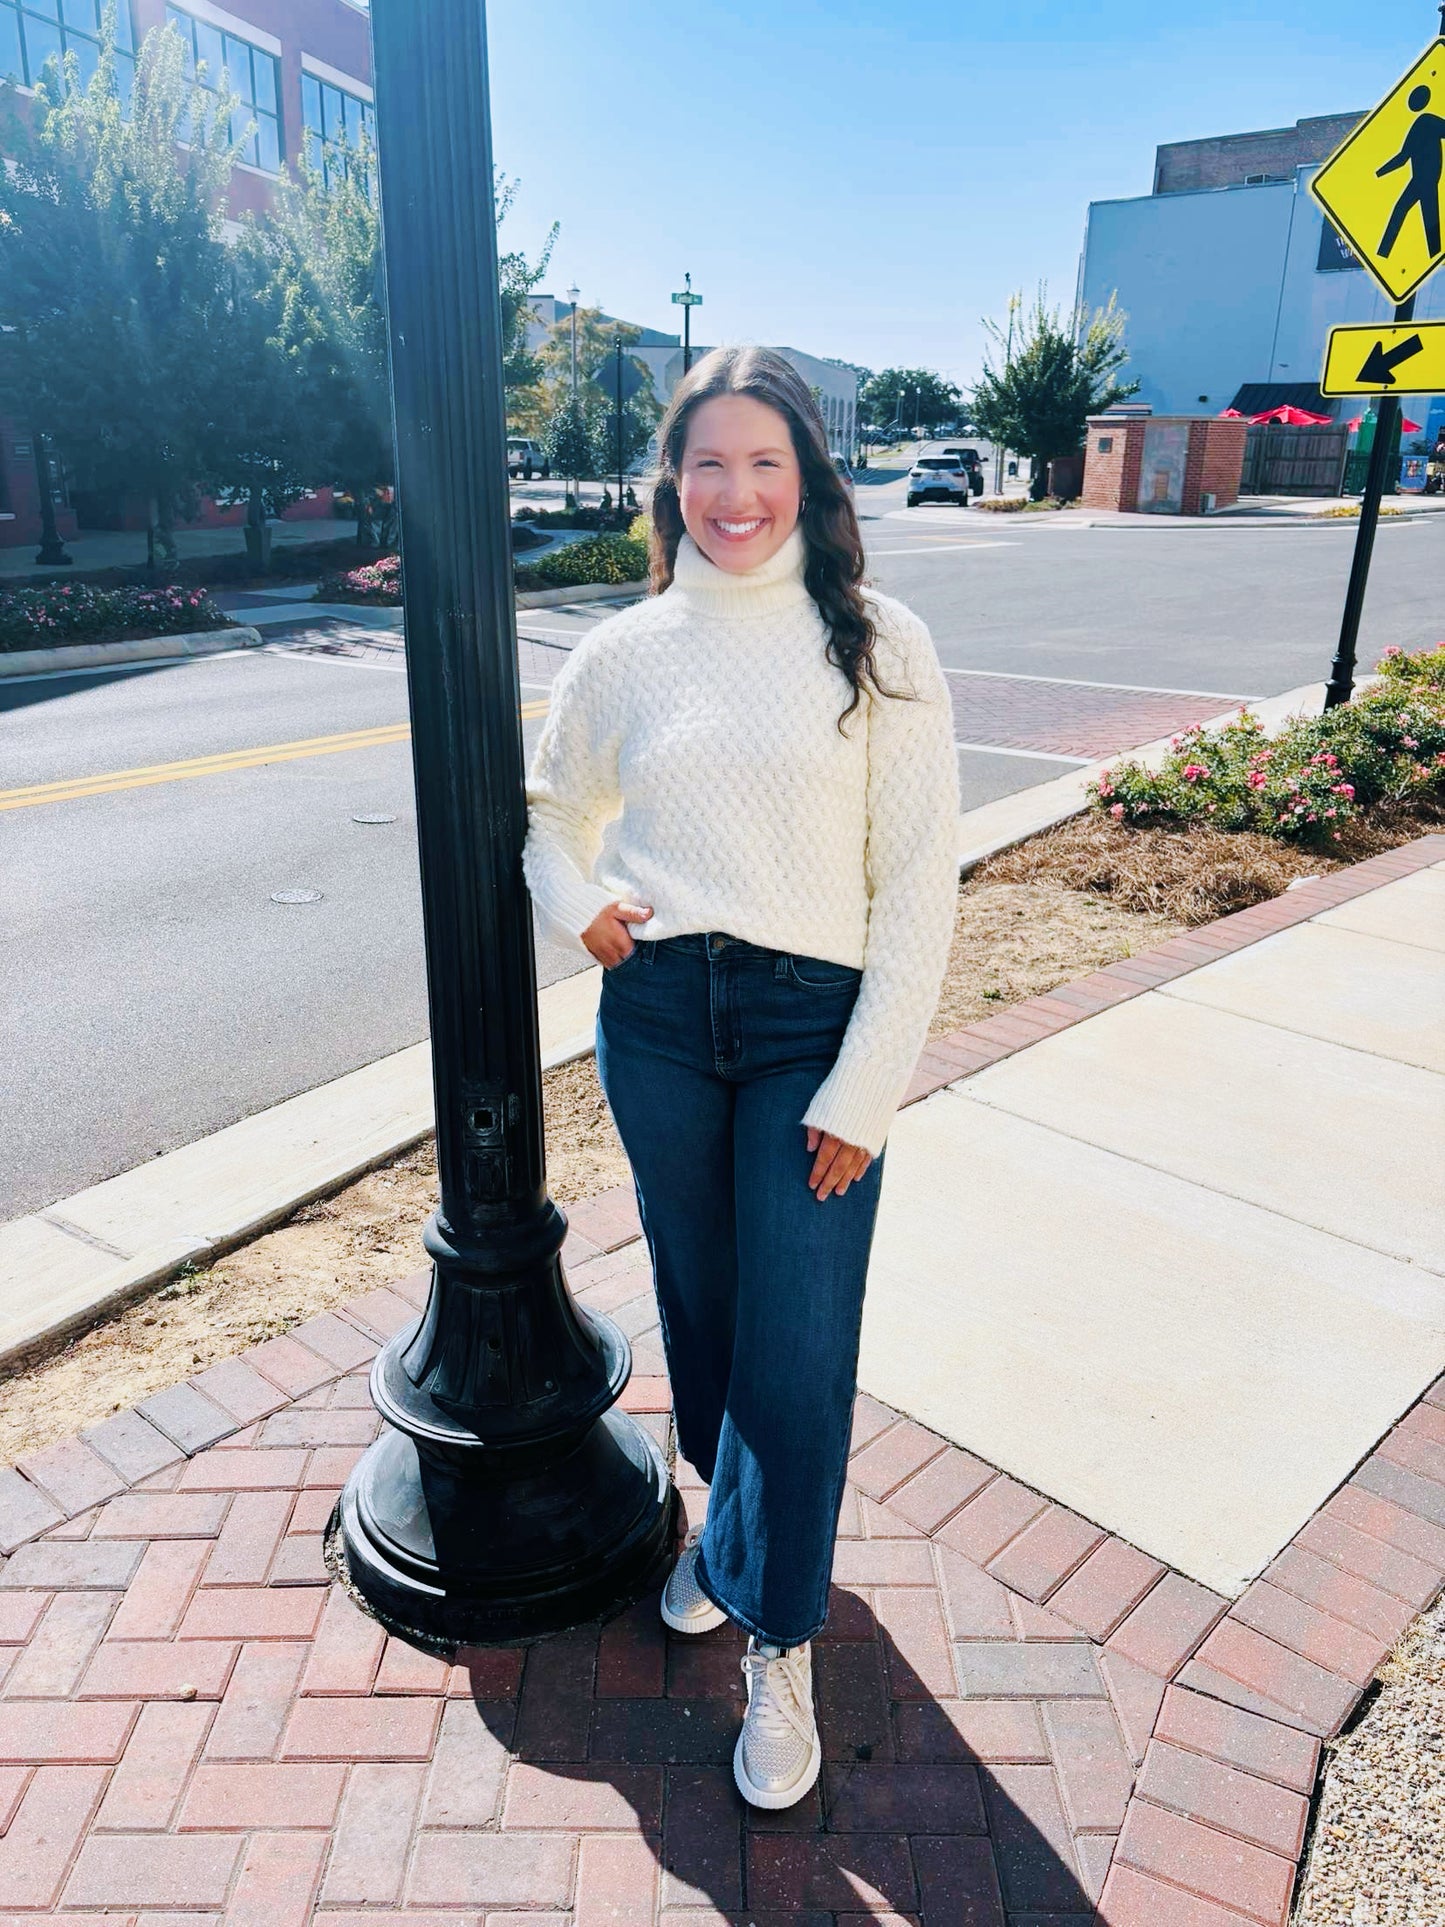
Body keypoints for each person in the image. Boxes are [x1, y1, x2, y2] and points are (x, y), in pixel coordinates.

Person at [523, 346, 959, 1810]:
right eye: (707, 461)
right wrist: (573, 905)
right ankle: (726, 1537)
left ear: (808, 477)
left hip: (808, 1031)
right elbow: (550, 809)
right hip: (655, 1022)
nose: (735, 492)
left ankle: (779, 1637)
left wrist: (865, 1084)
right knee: (701, 1309)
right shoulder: (624, 648)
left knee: (794, 1335)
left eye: (764, 461)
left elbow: (915, 886)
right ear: (671, 479)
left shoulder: (877, 640)